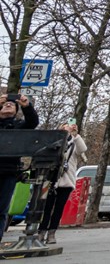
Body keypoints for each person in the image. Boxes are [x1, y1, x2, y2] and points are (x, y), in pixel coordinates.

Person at [37, 121, 86, 244]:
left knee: (58, 208)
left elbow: (83, 149)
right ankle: (41, 232)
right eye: (65, 126)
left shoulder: (74, 144)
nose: (67, 128)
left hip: (66, 181)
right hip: (51, 180)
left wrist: (76, 135)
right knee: (46, 207)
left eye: (69, 126)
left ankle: (52, 233)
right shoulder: (54, 143)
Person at [0, 94, 38, 235]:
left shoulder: (18, 125)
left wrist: (27, 106)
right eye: (5, 104)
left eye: (12, 105)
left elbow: (33, 122)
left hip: (8, 172)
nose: (8, 105)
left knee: (2, 208)